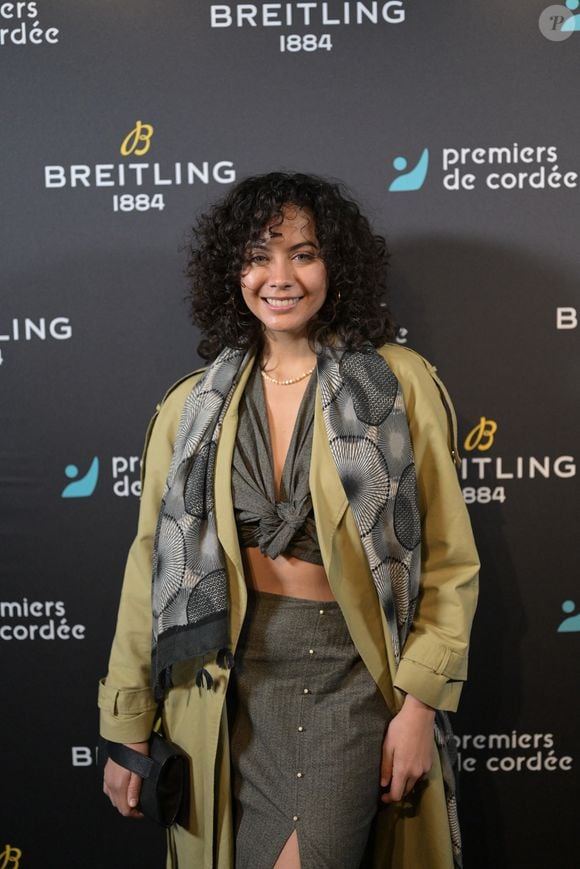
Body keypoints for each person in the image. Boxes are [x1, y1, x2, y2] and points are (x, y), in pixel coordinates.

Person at [99, 172, 479, 869]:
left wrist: (420, 703)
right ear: (231, 269)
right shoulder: (191, 405)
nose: (280, 276)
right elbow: (148, 571)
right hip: (220, 691)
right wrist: (127, 728)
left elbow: (451, 562)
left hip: (349, 680)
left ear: (336, 264)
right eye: (260, 253)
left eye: (303, 253)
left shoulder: (395, 385)